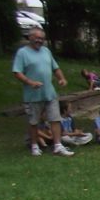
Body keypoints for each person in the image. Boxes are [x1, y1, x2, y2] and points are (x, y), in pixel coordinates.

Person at [12, 27, 74, 157]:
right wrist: (30, 82)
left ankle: (57, 146)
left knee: (55, 119)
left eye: (42, 39)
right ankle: (34, 146)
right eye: (37, 38)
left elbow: (55, 68)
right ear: (30, 37)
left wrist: (61, 78)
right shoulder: (22, 53)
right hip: (32, 95)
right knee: (34, 121)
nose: (39, 41)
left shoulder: (46, 51)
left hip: (49, 93)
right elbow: (17, 72)